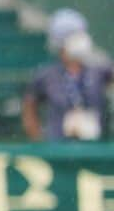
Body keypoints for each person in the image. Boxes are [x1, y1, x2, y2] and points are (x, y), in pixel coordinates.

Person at [22, 8, 111, 141]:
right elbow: (29, 106)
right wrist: (38, 138)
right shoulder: (47, 75)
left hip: (95, 148)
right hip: (59, 147)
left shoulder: (97, 71)